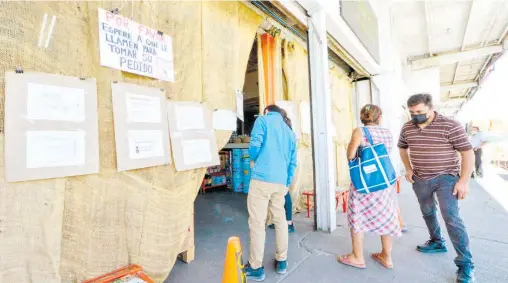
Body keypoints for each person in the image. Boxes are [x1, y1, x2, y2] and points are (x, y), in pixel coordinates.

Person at [398, 93, 475, 283]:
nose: (416, 116)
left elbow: (467, 152)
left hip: (446, 178)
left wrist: (463, 180)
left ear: (431, 108)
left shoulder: (450, 125)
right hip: (420, 178)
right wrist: (408, 168)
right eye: (412, 112)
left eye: (420, 112)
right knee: (428, 212)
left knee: (451, 218)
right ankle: (436, 241)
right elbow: (402, 147)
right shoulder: (407, 127)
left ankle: (466, 266)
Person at [337, 104, 401, 270]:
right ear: (379, 117)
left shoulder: (359, 131)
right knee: (386, 215)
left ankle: (357, 257)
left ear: (362, 117)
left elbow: (350, 155)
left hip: (365, 183)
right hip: (384, 182)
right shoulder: (387, 133)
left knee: (357, 214)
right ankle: (386, 257)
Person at [244, 104, 297, 281]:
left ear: (267, 111)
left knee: (257, 223)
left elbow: (254, 147)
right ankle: (282, 261)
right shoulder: (290, 132)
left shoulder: (262, 120)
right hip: (280, 183)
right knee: (280, 221)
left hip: (261, 179)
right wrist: (286, 182)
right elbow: (293, 163)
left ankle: (256, 267)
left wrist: (254, 159)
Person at [267, 108, 295, 233]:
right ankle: (282, 222)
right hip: (283, 167)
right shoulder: (285, 129)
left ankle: (289, 223)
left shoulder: (284, 131)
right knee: (280, 195)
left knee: (285, 194)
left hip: (283, 167)